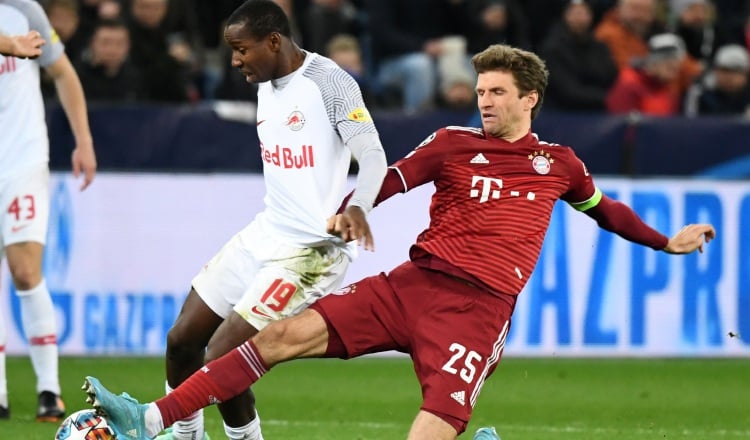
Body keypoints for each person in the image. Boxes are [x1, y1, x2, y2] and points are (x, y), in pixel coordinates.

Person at [82, 43, 716, 440]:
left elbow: (605, 212)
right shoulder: (451, 143)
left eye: (497, 91)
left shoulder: (561, 165)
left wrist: (666, 243)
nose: (484, 99)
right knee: (275, 336)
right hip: (410, 286)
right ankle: (152, 420)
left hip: (477, 313)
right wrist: (352, 208)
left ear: (530, 98)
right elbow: (390, 178)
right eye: (480, 89)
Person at [150, 1, 388, 440]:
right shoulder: (264, 81)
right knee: (181, 341)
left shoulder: (328, 81)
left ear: (274, 41)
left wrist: (360, 206)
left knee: (222, 356)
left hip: (312, 250)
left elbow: (372, 154)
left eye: (241, 49)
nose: (235, 60)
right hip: (266, 232)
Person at [0, 0, 97, 422]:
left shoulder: (24, 9)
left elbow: (62, 72)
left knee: (25, 269)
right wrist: (9, 44)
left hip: (21, 157)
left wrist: (84, 140)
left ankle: (49, 390)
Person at [684, 43, 750, 116]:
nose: (730, 77)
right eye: (725, 70)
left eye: (736, 71)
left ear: (745, 74)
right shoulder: (701, 93)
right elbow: (690, 123)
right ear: (716, 71)